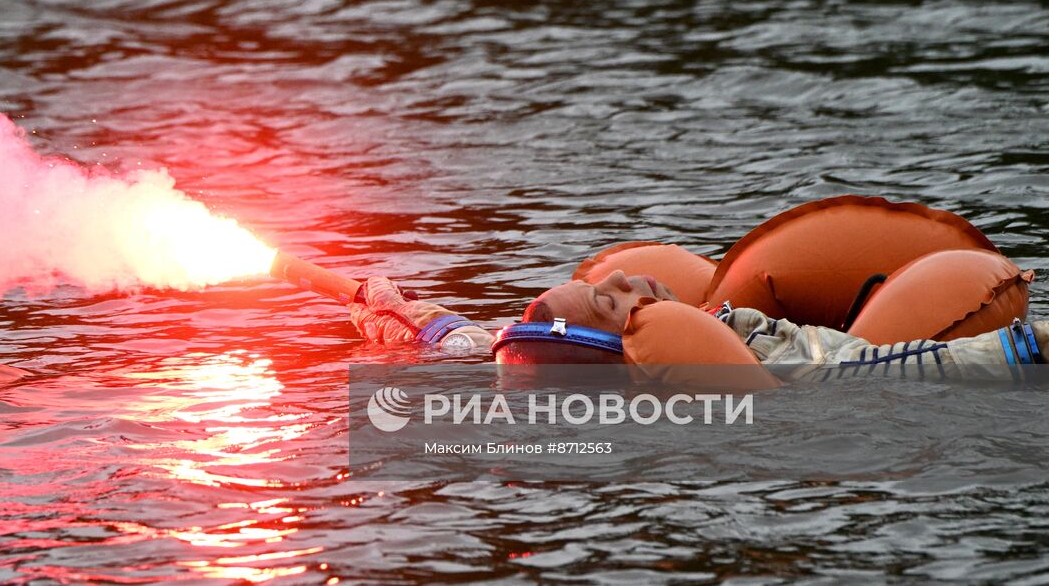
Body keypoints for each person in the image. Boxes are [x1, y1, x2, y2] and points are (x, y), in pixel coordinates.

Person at [348, 269, 1048, 378]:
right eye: (609, 300)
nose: (627, 279)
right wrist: (1030, 343)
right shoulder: (762, 371)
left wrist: (394, 305)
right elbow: (901, 369)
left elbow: (462, 337)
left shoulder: (709, 322)